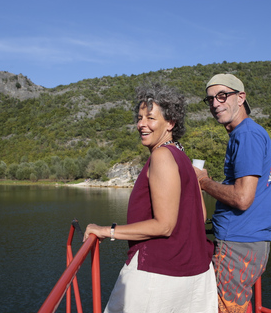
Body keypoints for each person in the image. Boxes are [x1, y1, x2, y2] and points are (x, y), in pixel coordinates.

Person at [84, 82, 217, 313]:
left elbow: (164, 226)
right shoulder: (182, 156)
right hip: (195, 275)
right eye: (139, 117)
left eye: (150, 118)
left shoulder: (162, 156)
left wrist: (107, 230)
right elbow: (202, 214)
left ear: (171, 123)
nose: (141, 124)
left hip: (158, 276)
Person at [193, 74, 271, 313]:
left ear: (241, 97)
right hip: (253, 244)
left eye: (222, 96)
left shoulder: (245, 135)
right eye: (209, 99)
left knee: (225, 309)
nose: (215, 104)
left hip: (237, 245)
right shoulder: (256, 132)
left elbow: (242, 198)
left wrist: (204, 181)